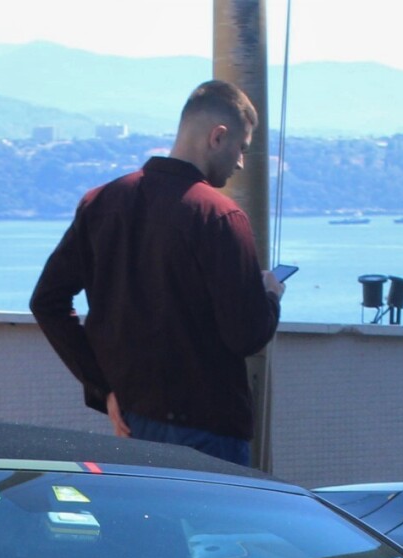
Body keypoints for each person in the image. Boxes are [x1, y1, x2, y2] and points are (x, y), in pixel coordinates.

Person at [29, 80, 285, 468]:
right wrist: (269, 294)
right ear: (218, 137)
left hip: (134, 422)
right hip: (210, 432)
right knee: (211, 529)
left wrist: (104, 389)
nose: (241, 163)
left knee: (148, 528)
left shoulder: (101, 203)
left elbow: (47, 302)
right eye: (242, 148)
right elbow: (246, 334)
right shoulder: (220, 216)